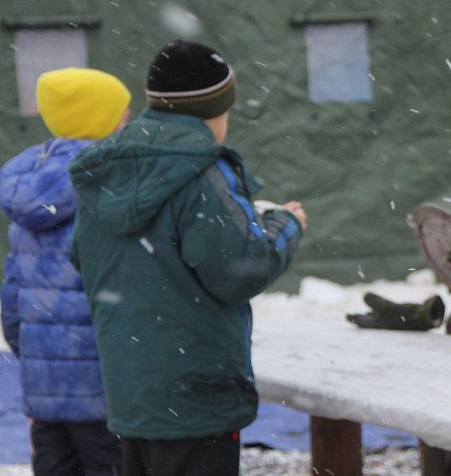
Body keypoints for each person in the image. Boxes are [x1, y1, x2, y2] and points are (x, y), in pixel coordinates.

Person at [68, 40, 307, 476]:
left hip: (132, 394)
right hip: (198, 396)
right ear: (214, 109)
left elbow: (81, 254)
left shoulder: (105, 168)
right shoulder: (202, 168)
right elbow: (241, 269)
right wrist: (285, 226)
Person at [1, 68, 131, 476]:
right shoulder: (115, 182)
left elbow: (13, 295)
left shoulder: (27, 185)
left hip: (46, 390)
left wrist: (34, 354)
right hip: (107, 388)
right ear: (104, 119)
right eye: (123, 112)